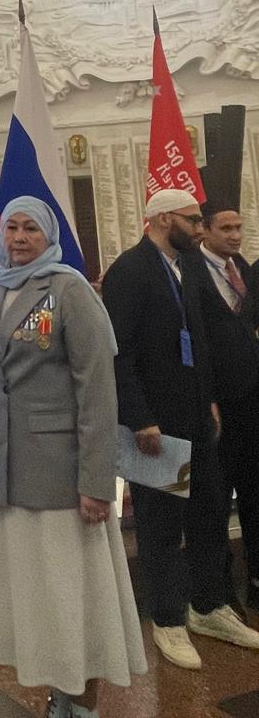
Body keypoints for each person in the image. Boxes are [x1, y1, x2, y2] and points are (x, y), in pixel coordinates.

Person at [0, 195, 145, 718]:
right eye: (12, 228)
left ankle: (82, 705)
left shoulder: (70, 290)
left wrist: (97, 482)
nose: (19, 238)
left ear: (50, 237)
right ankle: (57, 695)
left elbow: (97, 392)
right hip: (5, 473)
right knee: (36, 601)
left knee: (72, 600)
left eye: (31, 230)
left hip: (61, 478)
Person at [102, 188, 259, 670]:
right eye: (192, 220)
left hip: (197, 416)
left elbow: (200, 342)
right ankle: (168, 619)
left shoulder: (187, 267)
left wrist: (209, 400)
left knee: (209, 512)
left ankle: (208, 607)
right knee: (163, 524)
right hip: (156, 424)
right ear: (163, 219)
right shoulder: (130, 271)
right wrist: (139, 418)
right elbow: (119, 353)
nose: (198, 228)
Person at [199, 200, 259, 610]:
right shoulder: (190, 273)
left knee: (254, 493)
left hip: (250, 403)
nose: (235, 236)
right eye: (226, 228)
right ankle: (218, 593)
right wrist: (207, 397)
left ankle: (255, 581)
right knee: (214, 501)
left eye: (239, 228)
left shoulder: (244, 269)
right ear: (204, 230)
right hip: (215, 407)